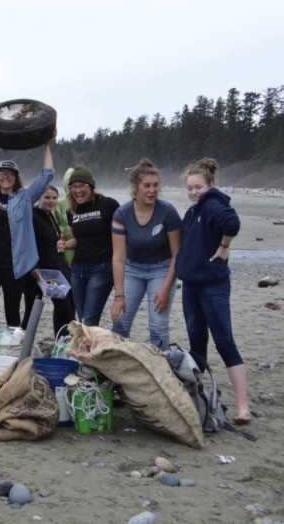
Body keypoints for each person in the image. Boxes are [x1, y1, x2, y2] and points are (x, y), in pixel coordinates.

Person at [175, 158, 251, 424]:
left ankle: (243, 407)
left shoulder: (213, 205)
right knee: (197, 343)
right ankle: (199, 397)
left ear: (210, 185)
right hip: (192, 286)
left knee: (224, 341)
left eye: (199, 187)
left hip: (213, 285)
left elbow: (232, 222)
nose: (194, 192)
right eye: (190, 188)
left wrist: (225, 245)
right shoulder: (192, 211)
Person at [0, 131, 55, 329]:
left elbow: (47, 175)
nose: (5, 176)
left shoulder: (25, 197)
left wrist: (47, 145)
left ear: (16, 178)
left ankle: (11, 346)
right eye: (2, 173)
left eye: (10, 174)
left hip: (14, 265)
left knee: (12, 309)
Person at [110, 159, 181, 351]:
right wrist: (119, 295)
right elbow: (118, 257)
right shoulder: (121, 214)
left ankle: (162, 369)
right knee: (119, 324)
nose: (152, 190)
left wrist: (166, 288)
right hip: (132, 269)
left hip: (162, 269)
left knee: (158, 325)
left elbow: (177, 254)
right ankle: (118, 366)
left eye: (156, 185)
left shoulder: (168, 212)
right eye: (147, 186)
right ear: (135, 187)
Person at [56, 165, 120, 326]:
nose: (78, 190)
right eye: (74, 186)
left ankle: (87, 349)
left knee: (89, 319)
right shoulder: (72, 210)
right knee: (82, 317)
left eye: (82, 185)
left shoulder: (108, 205)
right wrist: (66, 244)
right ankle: (89, 349)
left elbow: (124, 233)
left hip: (102, 268)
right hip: (78, 270)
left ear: (91, 186)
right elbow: (79, 240)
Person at [22, 186, 76, 337]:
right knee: (32, 311)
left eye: (54, 198)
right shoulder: (32, 217)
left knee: (66, 308)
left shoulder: (49, 216)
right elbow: (25, 244)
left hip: (54, 271)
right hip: (37, 272)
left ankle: (62, 343)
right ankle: (21, 345)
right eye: (47, 197)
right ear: (38, 198)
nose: (51, 201)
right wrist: (33, 267)